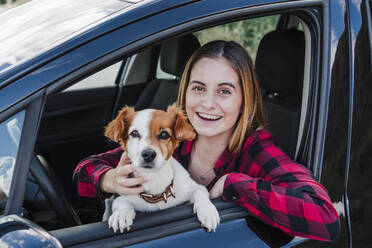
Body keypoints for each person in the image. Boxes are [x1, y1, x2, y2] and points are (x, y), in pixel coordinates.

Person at [73, 40, 340, 241]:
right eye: (198, 88)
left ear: (243, 100)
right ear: (185, 91)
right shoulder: (172, 137)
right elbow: (85, 170)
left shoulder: (255, 149)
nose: (208, 104)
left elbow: (325, 217)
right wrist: (110, 180)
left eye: (224, 91)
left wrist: (232, 183)